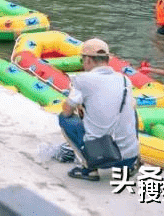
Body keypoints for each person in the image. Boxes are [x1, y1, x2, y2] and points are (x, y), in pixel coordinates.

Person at [59, 38, 139, 182]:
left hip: (104, 158)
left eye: (82, 60)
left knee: (65, 119)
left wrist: (79, 107)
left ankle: (89, 169)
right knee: (132, 110)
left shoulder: (83, 79)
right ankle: (131, 164)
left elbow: (66, 111)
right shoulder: (125, 80)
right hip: (128, 158)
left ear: (88, 60)